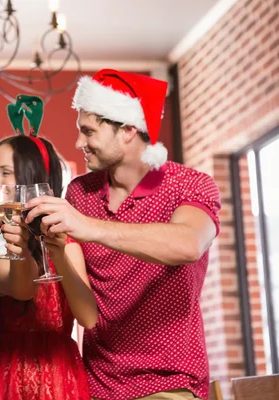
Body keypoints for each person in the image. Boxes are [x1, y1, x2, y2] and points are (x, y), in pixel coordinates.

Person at [25, 70, 221, 399]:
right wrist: (58, 250)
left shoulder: (188, 184)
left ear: (128, 130)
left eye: (88, 132)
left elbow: (188, 244)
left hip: (170, 383)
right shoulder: (80, 193)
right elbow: (86, 314)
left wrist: (90, 228)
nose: (78, 143)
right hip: (99, 384)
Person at [0, 95, 97, 400]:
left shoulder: (67, 240)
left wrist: (59, 252)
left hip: (59, 375)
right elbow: (22, 289)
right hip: (9, 370)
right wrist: (19, 242)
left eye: (5, 172)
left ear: (31, 178)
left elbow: (88, 319)